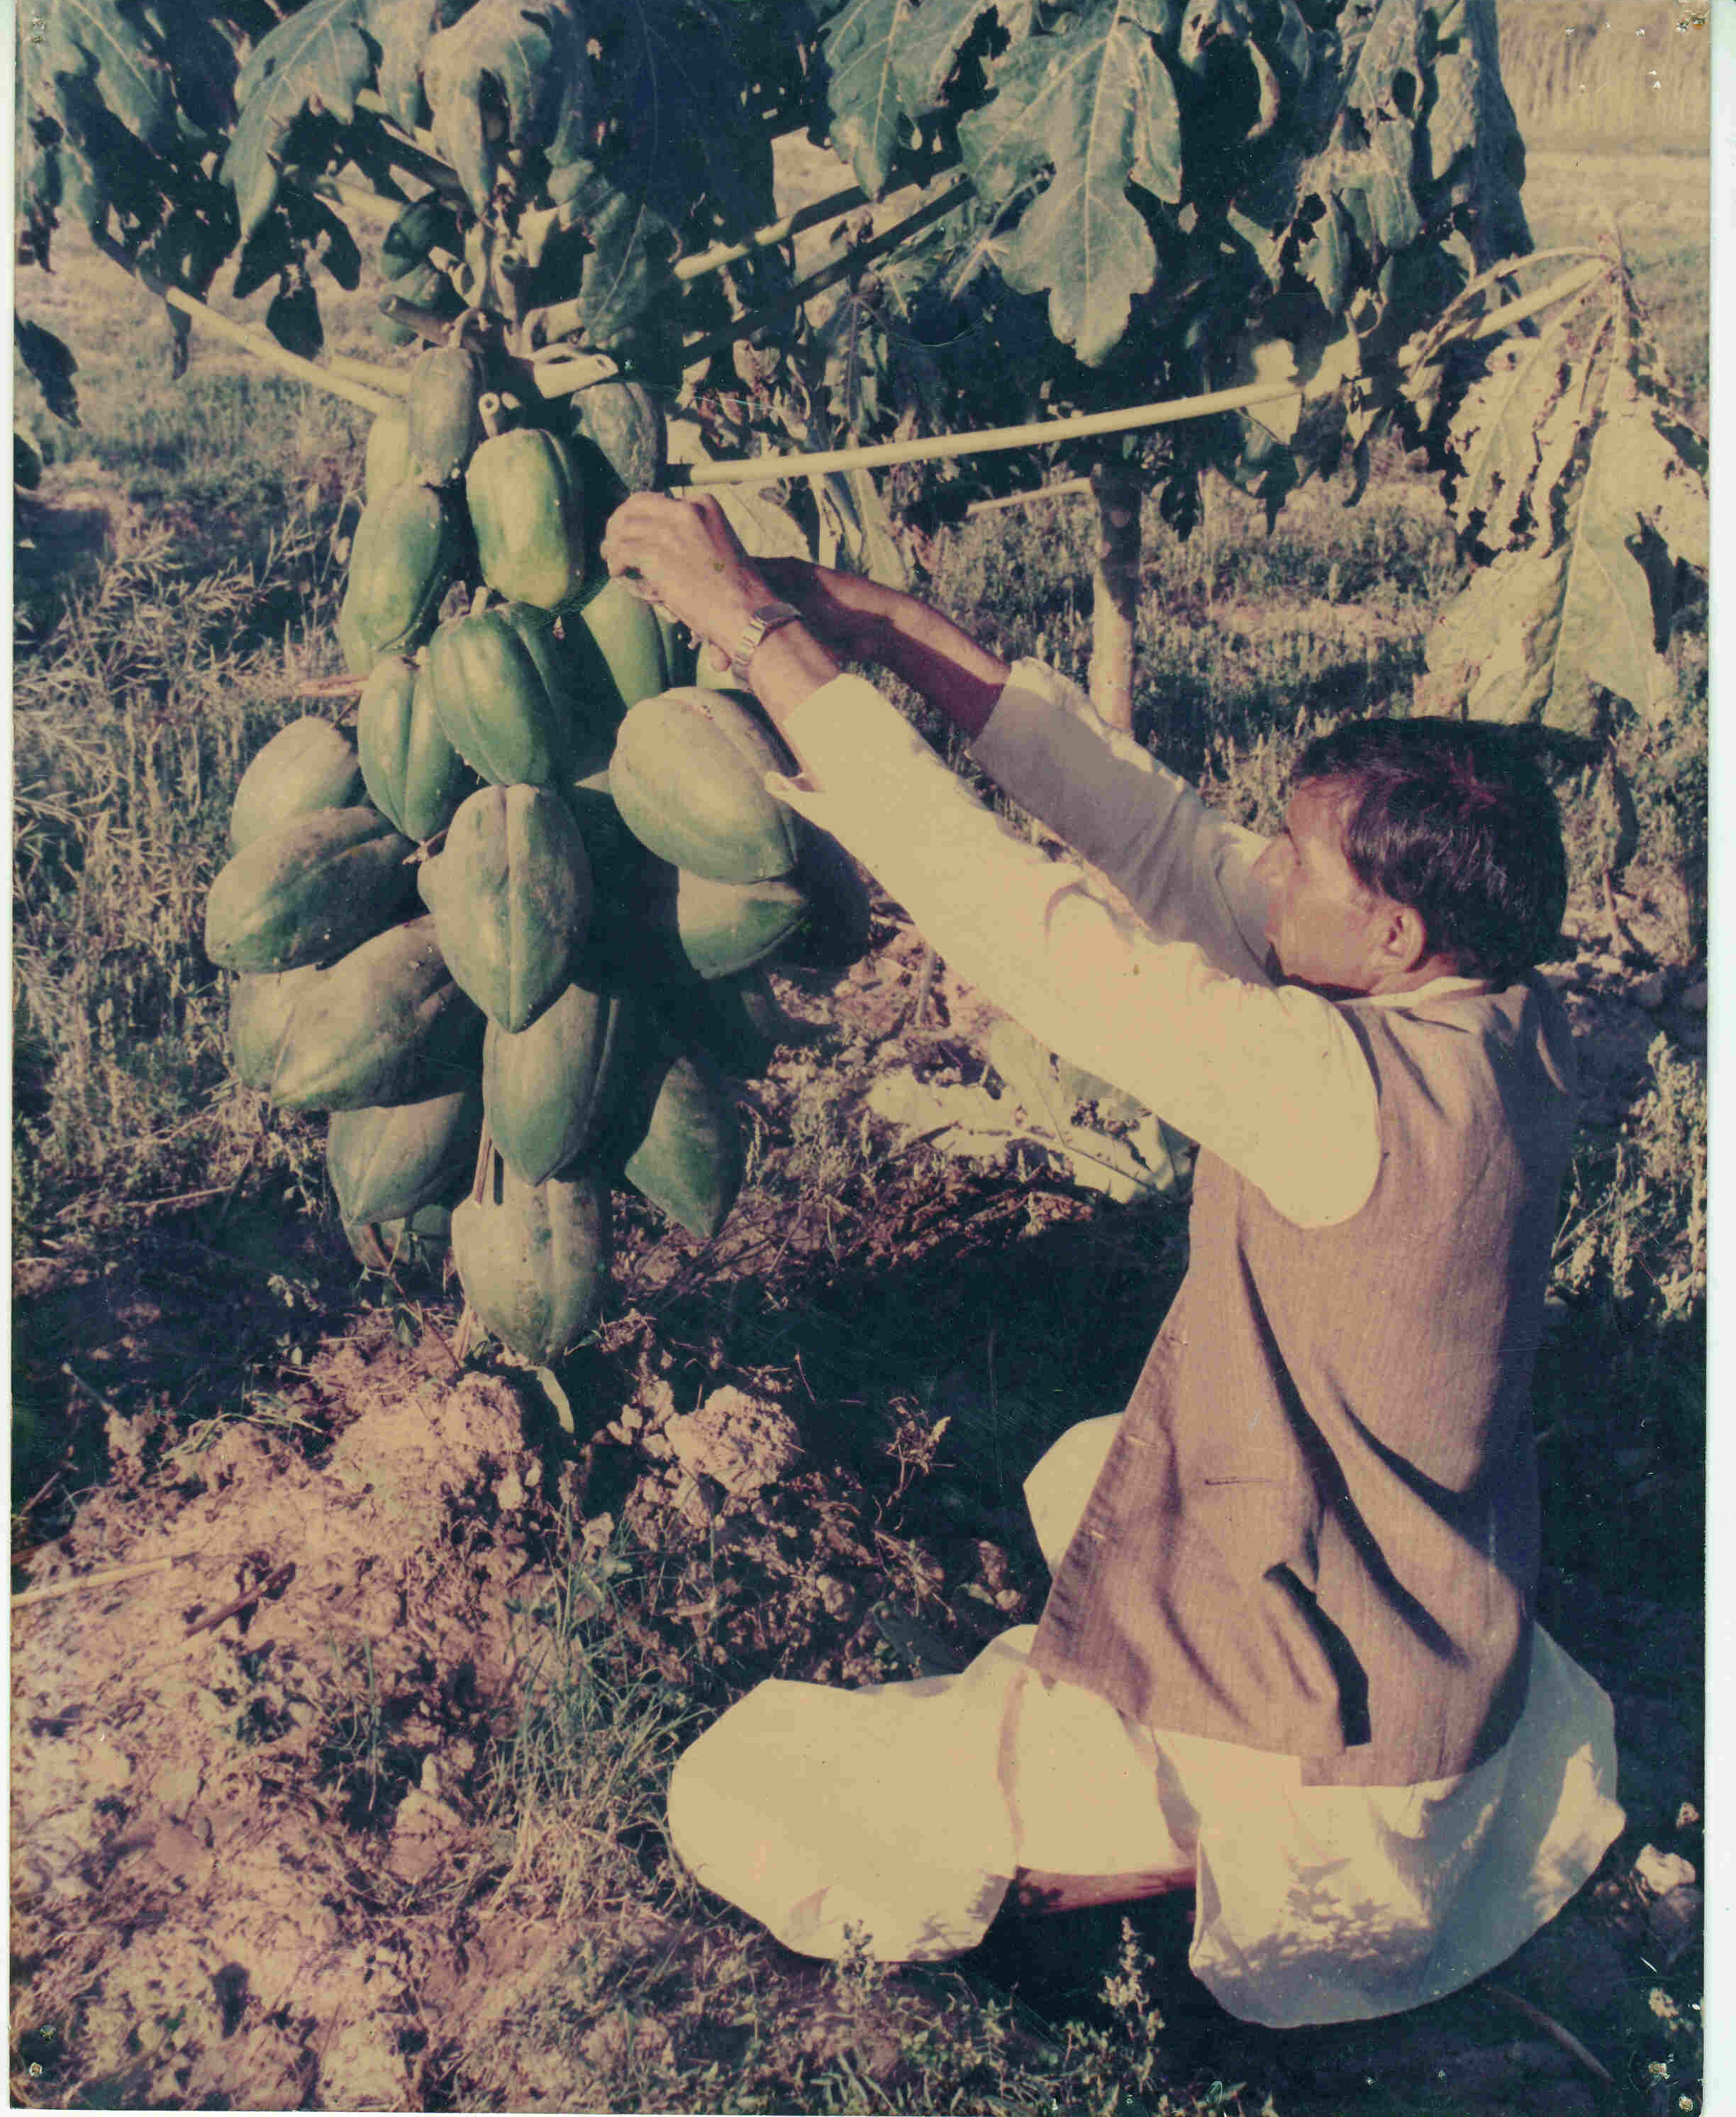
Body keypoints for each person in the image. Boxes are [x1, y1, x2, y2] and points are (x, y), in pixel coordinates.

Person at [597, 491, 1625, 2029]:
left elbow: (1018, 922)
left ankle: (1146, 1854)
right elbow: (1159, 833)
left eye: (1298, 859)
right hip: (1430, 1640)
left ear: (1398, 935)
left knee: (752, 1792)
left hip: (1329, 1758)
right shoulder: (1513, 1024)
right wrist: (885, 629)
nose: (1262, 874)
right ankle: (1170, 1794)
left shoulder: (1326, 1085)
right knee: (1097, 1466)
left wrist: (750, 631)